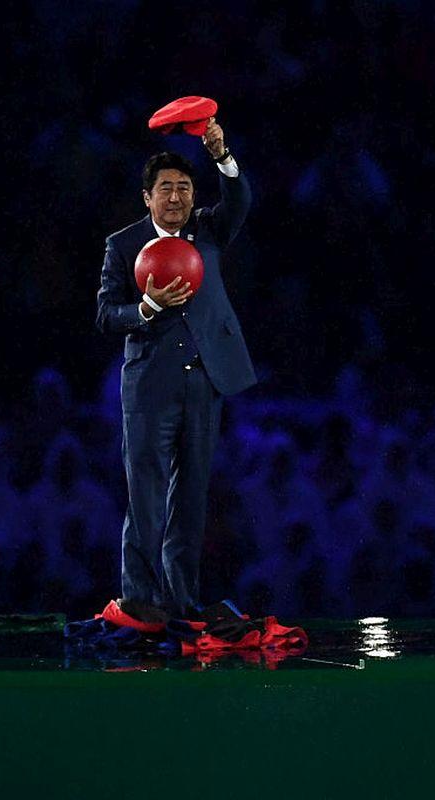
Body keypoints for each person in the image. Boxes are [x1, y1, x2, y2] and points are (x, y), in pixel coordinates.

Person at [95, 117, 255, 617]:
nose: (177, 197)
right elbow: (105, 315)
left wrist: (222, 154)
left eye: (185, 188)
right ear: (147, 197)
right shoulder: (122, 245)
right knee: (145, 493)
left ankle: (182, 601)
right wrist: (146, 307)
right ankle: (140, 601)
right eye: (166, 189)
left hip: (204, 381)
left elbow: (240, 203)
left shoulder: (208, 229)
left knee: (191, 498)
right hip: (149, 387)